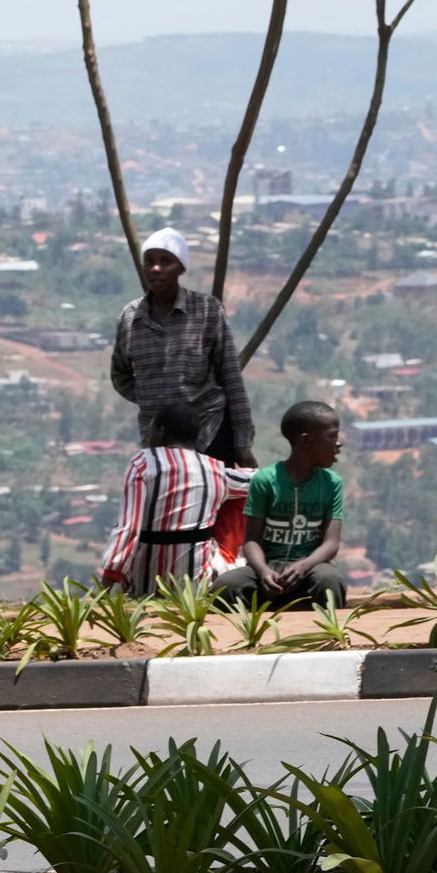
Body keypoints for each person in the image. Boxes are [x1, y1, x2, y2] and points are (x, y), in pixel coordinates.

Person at [110, 227, 258, 468]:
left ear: (181, 268)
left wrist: (242, 444)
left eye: (165, 262)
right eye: (149, 261)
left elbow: (231, 378)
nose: (155, 268)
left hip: (210, 431)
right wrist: (151, 397)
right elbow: (120, 375)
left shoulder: (207, 310)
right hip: (159, 442)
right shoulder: (131, 317)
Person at [99, 402, 252, 596]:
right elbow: (260, 481)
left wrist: (105, 585)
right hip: (196, 587)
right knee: (241, 498)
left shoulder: (142, 463)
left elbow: (128, 529)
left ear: (162, 432)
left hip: (144, 585)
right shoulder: (215, 469)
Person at [215, 401, 347, 609]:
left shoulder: (331, 483)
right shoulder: (266, 480)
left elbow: (331, 544)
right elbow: (250, 541)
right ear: (306, 441)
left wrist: (303, 566)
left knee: (329, 581)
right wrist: (262, 571)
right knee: (226, 586)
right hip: (267, 569)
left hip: (310, 568)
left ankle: (332, 637)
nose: (339, 443)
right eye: (332, 436)